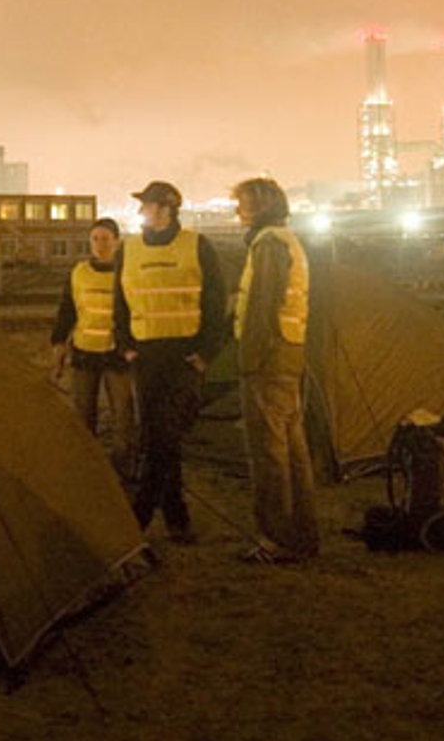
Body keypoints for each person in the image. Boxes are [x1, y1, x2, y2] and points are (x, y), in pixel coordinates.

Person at [111, 180, 229, 543]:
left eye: (147, 204)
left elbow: (215, 301)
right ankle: (177, 518)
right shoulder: (128, 249)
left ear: (166, 208)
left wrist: (207, 352)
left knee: (163, 436)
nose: (142, 210)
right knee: (160, 437)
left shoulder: (197, 245)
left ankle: (139, 517)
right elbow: (121, 301)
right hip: (146, 356)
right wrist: (126, 346)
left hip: (183, 357)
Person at [230, 177, 320, 563]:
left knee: (269, 451)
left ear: (261, 207)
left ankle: (276, 539)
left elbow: (262, 309)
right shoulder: (288, 241)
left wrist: (249, 362)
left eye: (243, 204)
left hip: (268, 359)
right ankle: (302, 534)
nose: (237, 211)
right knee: (293, 449)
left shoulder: (268, 245)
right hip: (289, 353)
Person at [49, 217, 136, 482]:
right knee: (83, 416)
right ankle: (88, 470)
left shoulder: (128, 273)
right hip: (85, 355)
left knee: (122, 416)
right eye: (95, 239)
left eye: (106, 239)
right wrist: (59, 343)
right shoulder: (79, 273)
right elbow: (67, 309)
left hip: (116, 356)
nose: (100, 244)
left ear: (117, 242)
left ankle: (123, 472)